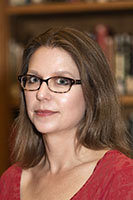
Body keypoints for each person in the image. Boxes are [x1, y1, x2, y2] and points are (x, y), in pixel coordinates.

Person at [0, 27, 133, 200]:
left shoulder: (122, 177)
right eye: (33, 79)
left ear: (92, 92)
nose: (41, 94)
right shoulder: (9, 181)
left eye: (62, 81)